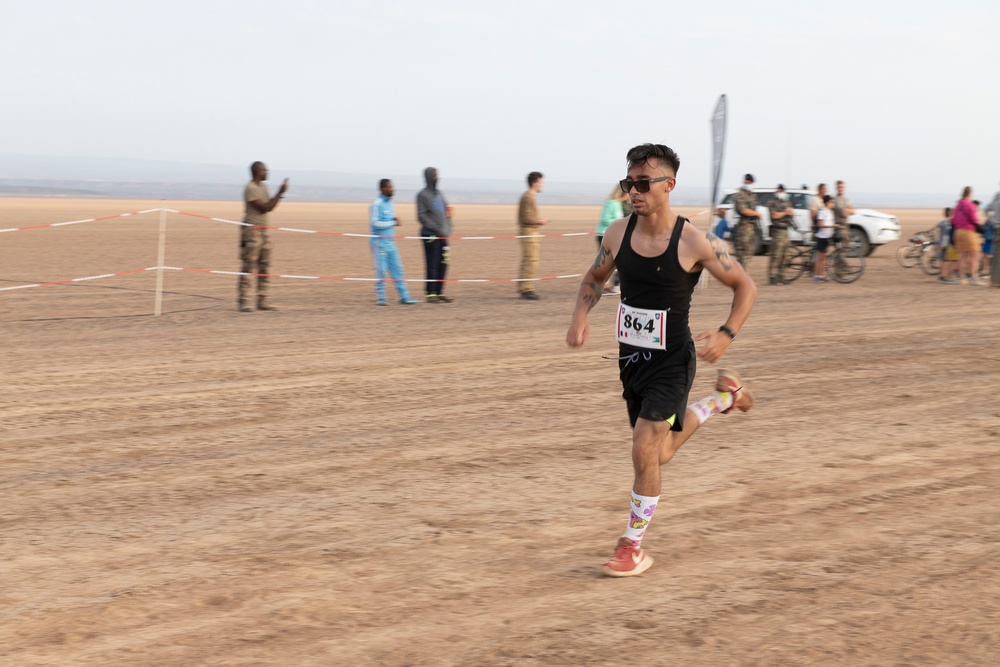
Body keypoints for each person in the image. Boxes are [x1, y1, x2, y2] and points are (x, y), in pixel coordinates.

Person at [565, 143, 757, 578]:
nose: (633, 191)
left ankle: (631, 546)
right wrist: (579, 316)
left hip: (673, 360)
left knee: (643, 448)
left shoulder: (695, 241)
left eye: (642, 183)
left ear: (668, 185)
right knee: (659, 452)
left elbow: (746, 286)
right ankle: (724, 400)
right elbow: (594, 277)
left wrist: (726, 334)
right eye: (627, 183)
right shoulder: (617, 233)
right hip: (631, 360)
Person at [239, 161, 288, 312]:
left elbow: (270, 207)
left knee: (264, 265)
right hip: (252, 230)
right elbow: (263, 208)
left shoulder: (264, 187)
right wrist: (280, 193)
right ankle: (244, 302)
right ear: (257, 172)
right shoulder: (251, 188)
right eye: (265, 170)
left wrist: (279, 195)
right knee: (249, 266)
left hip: (264, 230)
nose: (267, 172)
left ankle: (262, 300)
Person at [370, 179, 420, 306]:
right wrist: (393, 222)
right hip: (379, 243)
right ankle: (381, 298)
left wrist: (392, 220)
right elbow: (375, 223)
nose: (393, 189)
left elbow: (388, 219)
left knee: (398, 269)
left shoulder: (390, 204)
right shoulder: (377, 204)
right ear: (382, 189)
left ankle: (404, 296)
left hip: (391, 242)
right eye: (389, 187)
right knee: (381, 270)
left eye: (392, 186)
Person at [416, 167, 453, 303]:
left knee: (443, 263)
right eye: (434, 176)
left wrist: (449, 227)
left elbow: (447, 211)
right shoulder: (422, 195)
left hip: (443, 236)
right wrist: (435, 228)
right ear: (428, 177)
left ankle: (439, 291)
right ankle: (430, 293)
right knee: (432, 263)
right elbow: (421, 215)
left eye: (437, 175)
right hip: (430, 235)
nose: (437, 178)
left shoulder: (440, 194)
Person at [516, 171, 547, 300]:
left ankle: (525, 287)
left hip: (531, 232)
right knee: (530, 260)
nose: (542, 185)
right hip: (529, 232)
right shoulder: (528, 197)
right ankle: (526, 289)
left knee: (530, 260)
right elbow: (526, 218)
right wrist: (539, 221)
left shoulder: (529, 197)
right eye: (540, 182)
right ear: (535, 183)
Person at [596, 185, 629, 294]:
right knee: (606, 262)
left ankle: (614, 285)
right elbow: (605, 219)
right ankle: (601, 287)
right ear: (622, 193)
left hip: (614, 236)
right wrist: (619, 224)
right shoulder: (611, 203)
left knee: (619, 261)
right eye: (628, 193)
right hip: (604, 235)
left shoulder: (618, 204)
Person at [952, 186, 983, 285]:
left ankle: (961, 278)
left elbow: (953, 220)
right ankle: (974, 278)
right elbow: (973, 218)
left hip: (958, 232)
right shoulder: (969, 205)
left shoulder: (957, 206)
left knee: (962, 255)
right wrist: (979, 226)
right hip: (968, 232)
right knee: (975, 254)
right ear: (969, 194)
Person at [766, 184, 794, 286]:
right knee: (776, 255)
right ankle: (772, 277)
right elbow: (774, 215)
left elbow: (792, 214)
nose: (781, 192)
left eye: (782, 191)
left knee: (785, 256)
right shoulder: (772, 203)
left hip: (785, 232)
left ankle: (781, 276)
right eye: (779, 191)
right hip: (777, 232)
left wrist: (788, 213)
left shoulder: (787, 202)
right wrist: (785, 213)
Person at [731, 173, 760, 264]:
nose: (749, 184)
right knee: (742, 254)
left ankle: (741, 271)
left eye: (750, 182)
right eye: (747, 182)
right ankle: (737, 272)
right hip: (743, 228)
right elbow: (743, 210)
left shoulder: (753, 195)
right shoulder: (740, 195)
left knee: (748, 253)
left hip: (752, 226)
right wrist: (756, 214)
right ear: (744, 182)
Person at [813, 195, 836, 282]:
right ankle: (817, 276)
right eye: (831, 202)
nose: (833, 203)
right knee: (820, 258)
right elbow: (820, 224)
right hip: (822, 236)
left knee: (823, 258)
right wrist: (831, 226)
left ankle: (821, 276)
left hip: (827, 237)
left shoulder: (830, 212)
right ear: (827, 202)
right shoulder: (822, 211)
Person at [936, 207, 959, 284]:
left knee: (945, 260)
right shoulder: (948, 223)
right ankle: (945, 277)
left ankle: (942, 276)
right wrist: (943, 245)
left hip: (943, 244)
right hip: (947, 244)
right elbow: (945, 235)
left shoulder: (942, 222)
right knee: (947, 261)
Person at [833, 180, 856, 248]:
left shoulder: (845, 200)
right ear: (836, 188)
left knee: (845, 247)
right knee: (840, 248)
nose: (840, 189)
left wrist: (846, 210)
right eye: (839, 187)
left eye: (842, 187)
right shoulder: (835, 200)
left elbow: (853, 211)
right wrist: (847, 210)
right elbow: (843, 213)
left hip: (845, 225)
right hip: (839, 226)